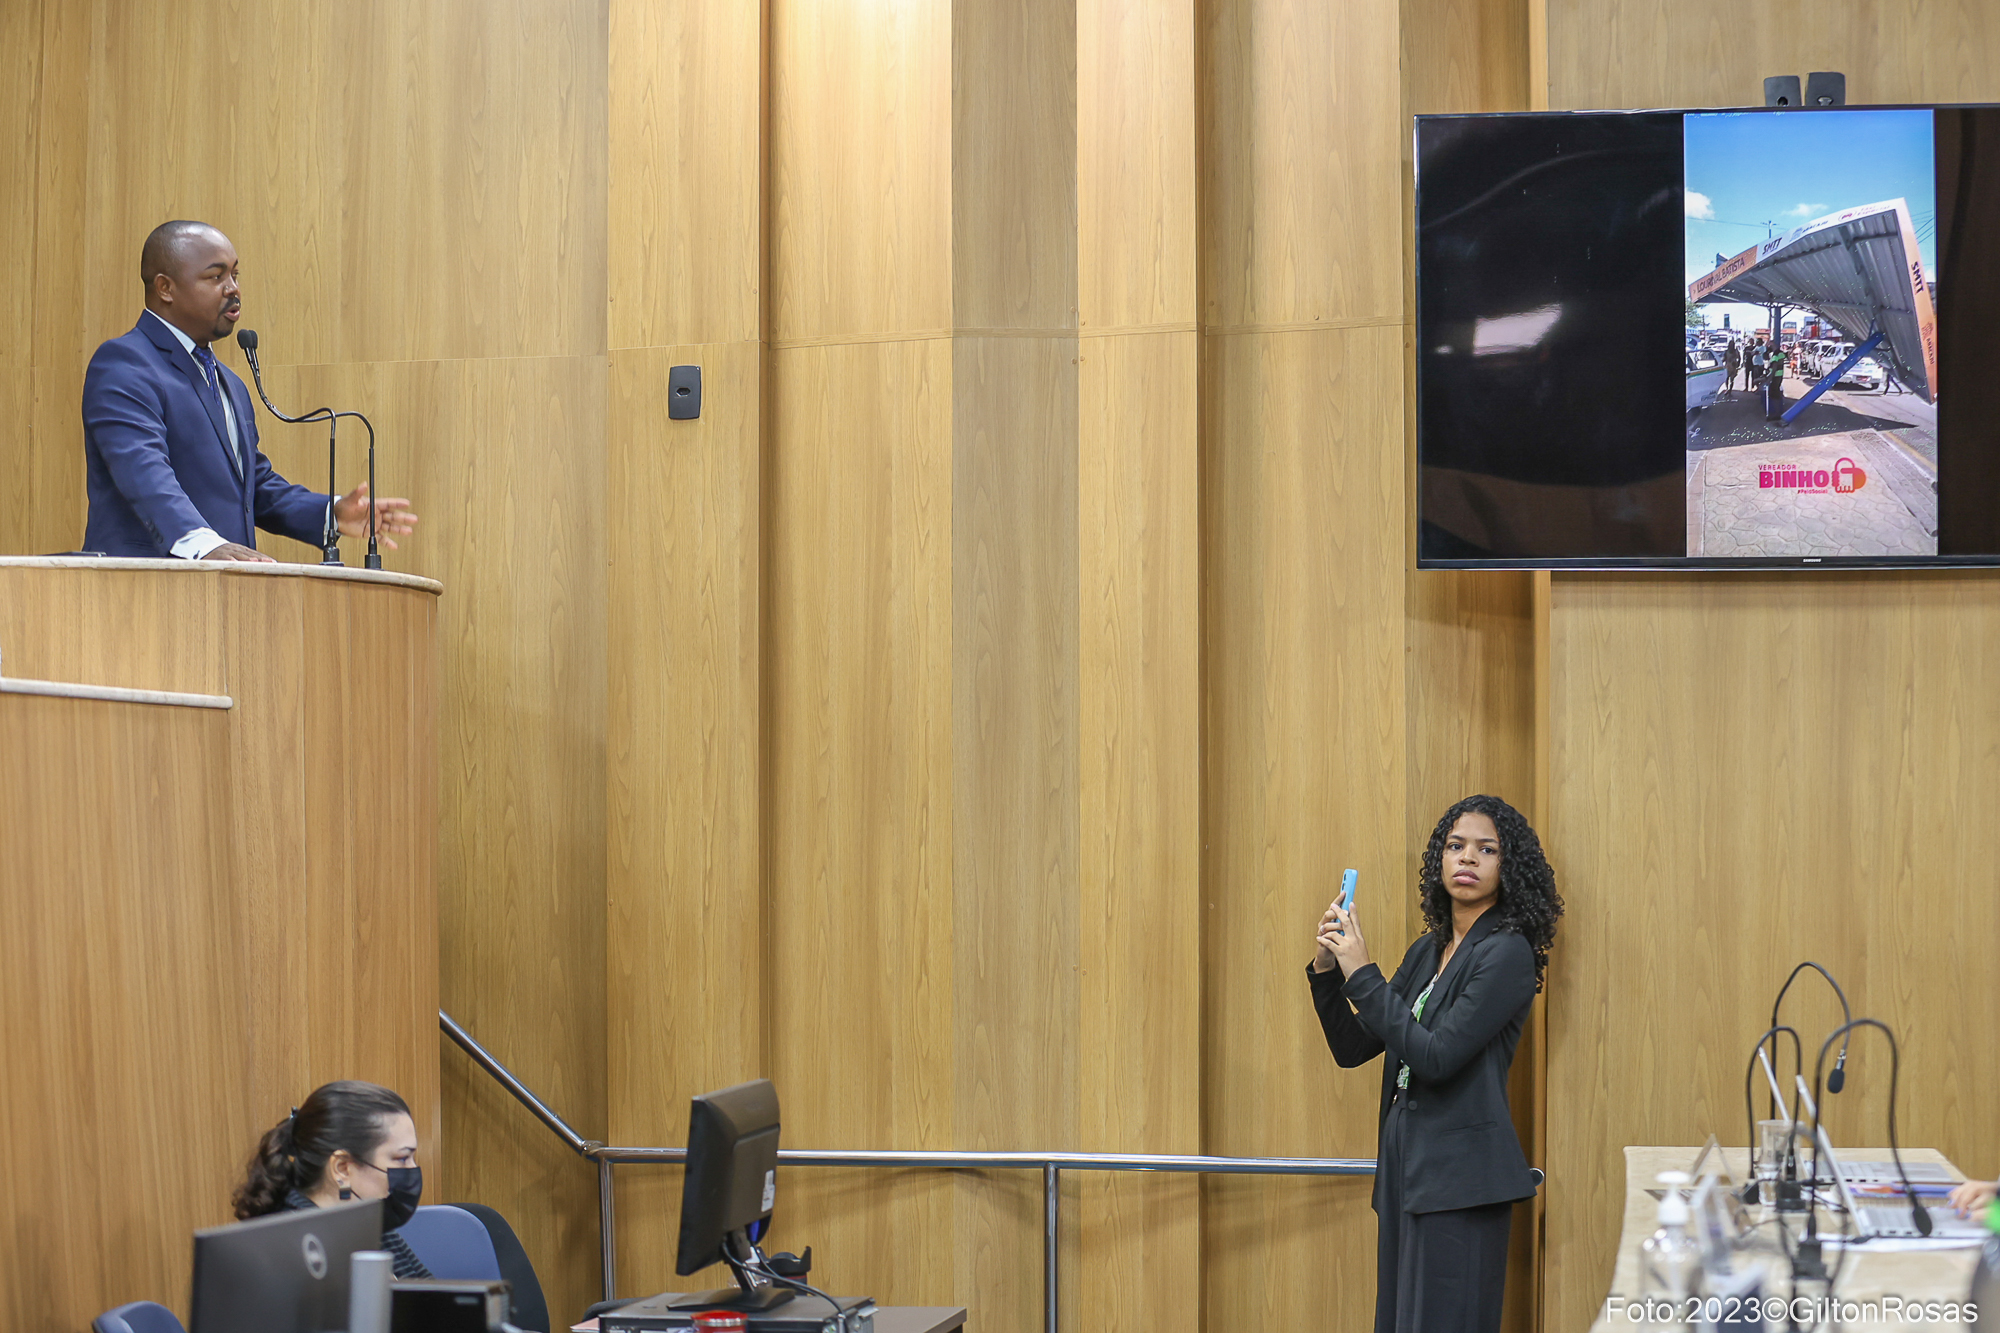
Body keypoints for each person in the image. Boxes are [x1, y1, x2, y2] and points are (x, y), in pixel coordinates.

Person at [1308, 794, 1565, 1333]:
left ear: (1509, 867)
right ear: (1439, 860)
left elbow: (1437, 1057)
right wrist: (1329, 971)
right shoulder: (1427, 950)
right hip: (1407, 1170)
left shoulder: (1507, 952)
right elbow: (1353, 1048)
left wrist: (1364, 973)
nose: (1467, 858)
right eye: (1455, 846)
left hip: (1460, 1180)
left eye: (1486, 849)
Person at [81, 220, 419, 561]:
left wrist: (331, 514)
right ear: (165, 288)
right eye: (216, 276)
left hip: (227, 587)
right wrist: (203, 544)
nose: (233, 289)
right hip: (144, 584)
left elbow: (253, 487)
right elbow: (142, 471)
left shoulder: (231, 382)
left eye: (235, 275)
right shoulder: (125, 363)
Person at [233, 1080, 433, 1279]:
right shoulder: (291, 1252)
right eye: (402, 1158)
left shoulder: (371, 1223)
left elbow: (432, 1293)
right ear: (342, 1168)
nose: (412, 1169)